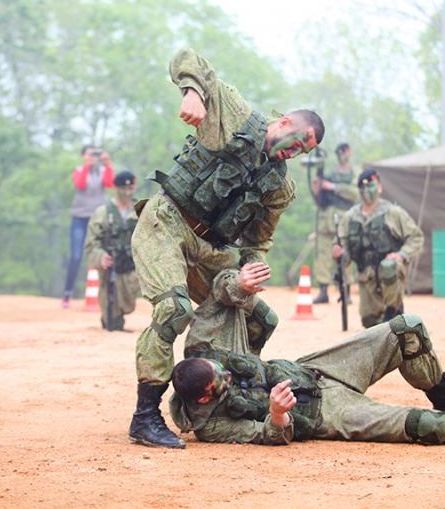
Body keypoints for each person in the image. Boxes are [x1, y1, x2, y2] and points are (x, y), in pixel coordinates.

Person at [129, 48, 324, 449]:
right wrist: (193, 93)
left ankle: (235, 389)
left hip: (211, 248)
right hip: (168, 221)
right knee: (174, 310)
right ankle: (145, 416)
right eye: (299, 141)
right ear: (285, 122)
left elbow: (258, 242)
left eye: (304, 151)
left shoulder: (280, 186)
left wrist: (249, 273)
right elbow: (190, 59)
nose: (296, 151)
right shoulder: (237, 115)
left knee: (262, 318)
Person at [169, 268, 445, 447]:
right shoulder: (212, 426)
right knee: (421, 426)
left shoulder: (204, 350)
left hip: (316, 367)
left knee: (407, 328)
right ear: (204, 397)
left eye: (224, 370)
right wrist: (276, 416)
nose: (228, 374)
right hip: (329, 413)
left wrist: (239, 284)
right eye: (221, 382)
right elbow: (269, 437)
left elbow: (218, 293)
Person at [333, 169, 423, 327]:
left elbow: (416, 237)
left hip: (390, 272)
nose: (366, 191)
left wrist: (401, 255)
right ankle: (388, 316)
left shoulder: (393, 213)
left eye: (371, 186)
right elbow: (342, 247)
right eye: (363, 187)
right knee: (370, 322)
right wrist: (339, 253)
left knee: (389, 267)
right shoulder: (350, 217)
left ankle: (394, 309)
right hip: (366, 277)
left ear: (379, 187)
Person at [83, 171, 141, 331]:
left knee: (130, 297)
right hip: (112, 267)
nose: (127, 192)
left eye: (130, 188)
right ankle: (112, 321)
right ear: (115, 189)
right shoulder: (103, 213)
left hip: (134, 267)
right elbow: (91, 243)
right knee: (112, 314)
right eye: (123, 188)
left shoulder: (140, 211)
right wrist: (100, 256)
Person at [62, 145, 114, 308]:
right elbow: (80, 184)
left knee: (103, 254)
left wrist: (108, 164)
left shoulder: (102, 171)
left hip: (97, 219)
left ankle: (107, 294)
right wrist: (86, 166)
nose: (93, 157)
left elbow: (109, 183)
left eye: (95, 154)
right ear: (83, 156)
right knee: (76, 256)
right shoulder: (78, 170)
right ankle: (67, 294)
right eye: (89, 154)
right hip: (79, 218)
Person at [311, 142, 358, 304]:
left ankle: (346, 292)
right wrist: (317, 188)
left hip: (344, 218)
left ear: (349, 152)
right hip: (326, 219)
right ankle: (323, 291)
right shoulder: (330, 174)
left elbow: (356, 194)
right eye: (339, 152)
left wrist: (333, 187)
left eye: (344, 151)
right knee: (323, 254)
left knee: (344, 253)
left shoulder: (354, 173)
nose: (342, 155)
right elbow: (320, 200)